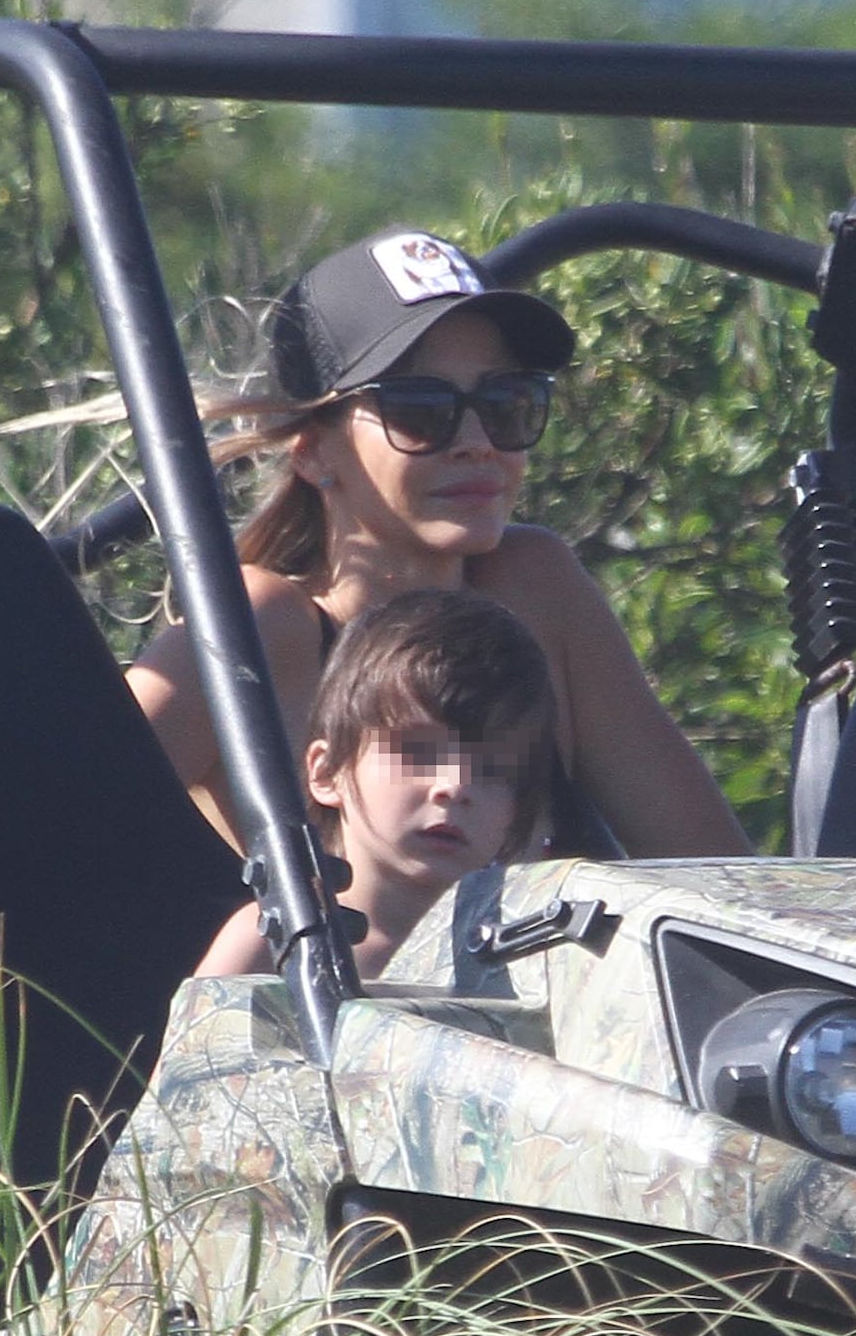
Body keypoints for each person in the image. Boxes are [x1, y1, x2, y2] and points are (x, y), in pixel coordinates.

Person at [128, 230, 751, 862]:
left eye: (507, 403)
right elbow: (57, 840)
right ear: (313, 451)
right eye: (419, 409)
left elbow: (718, 876)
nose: (478, 441)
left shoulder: (535, 588)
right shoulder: (259, 625)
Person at [197, 585, 554, 982]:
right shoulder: (277, 942)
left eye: (492, 769)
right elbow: (196, 1045)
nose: (454, 787)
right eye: (418, 752)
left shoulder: (533, 963)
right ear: (327, 770)